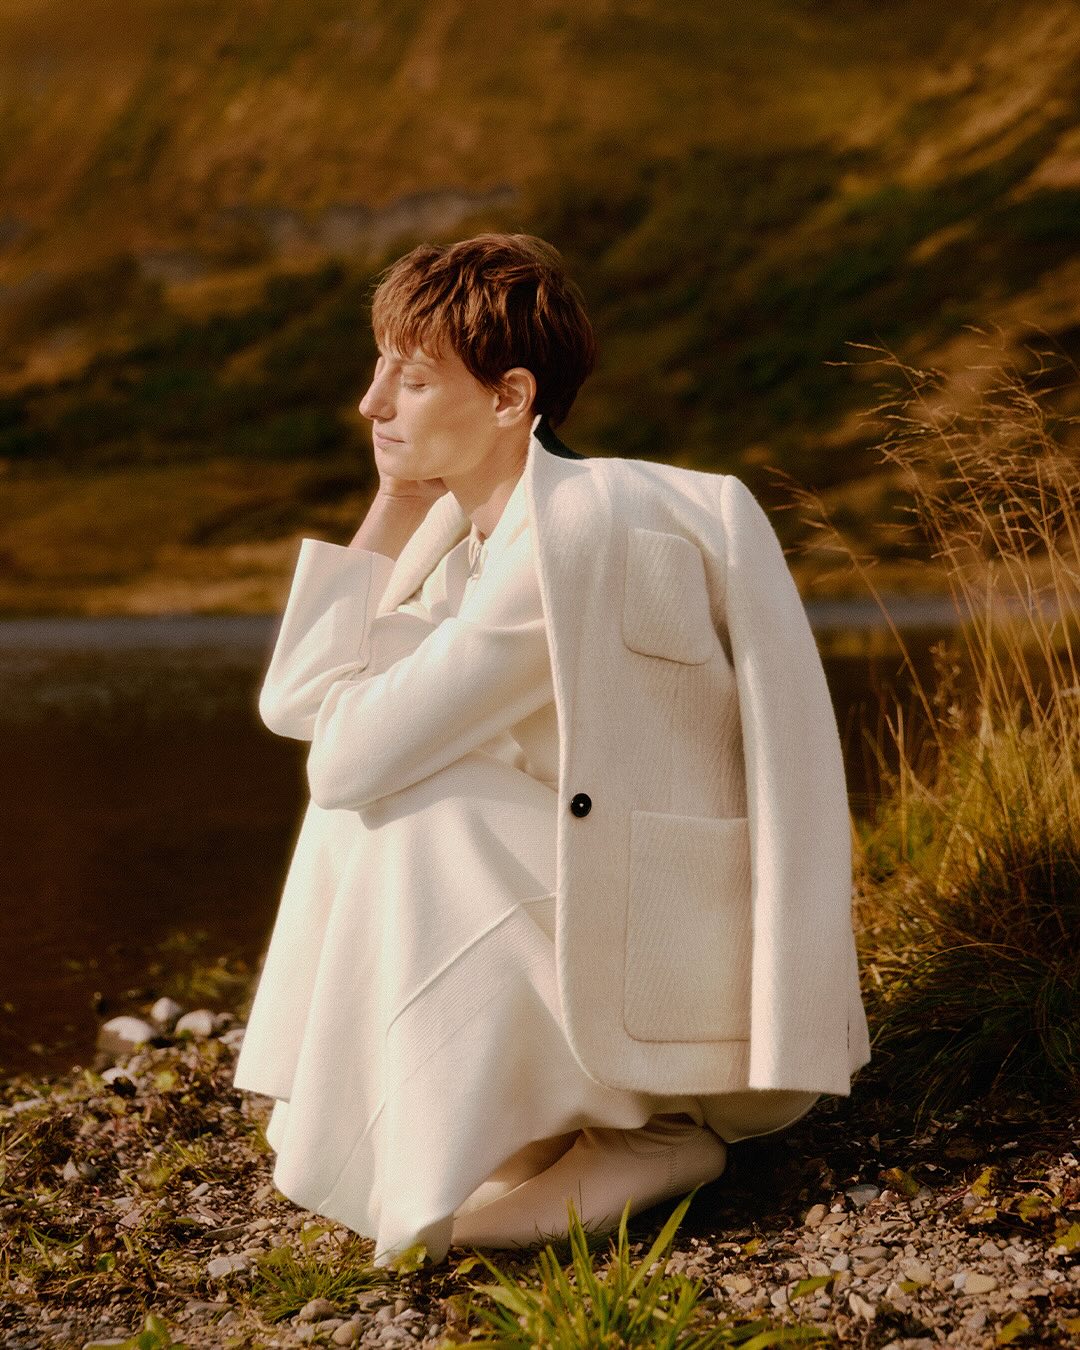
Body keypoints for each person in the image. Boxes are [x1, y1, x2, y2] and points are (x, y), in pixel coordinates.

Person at [232, 233, 869, 1266]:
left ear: (509, 397)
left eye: (412, 380)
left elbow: (344, 760)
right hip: (616, 906)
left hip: (674, 960)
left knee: (412, 798)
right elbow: (297, 702)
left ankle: (650, 1124)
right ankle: (542, 1130)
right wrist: (397, 502)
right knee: (388, 790)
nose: (371, 404)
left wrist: (371, 711)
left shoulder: (569, 544)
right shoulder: (472, 532)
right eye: (379, 371)